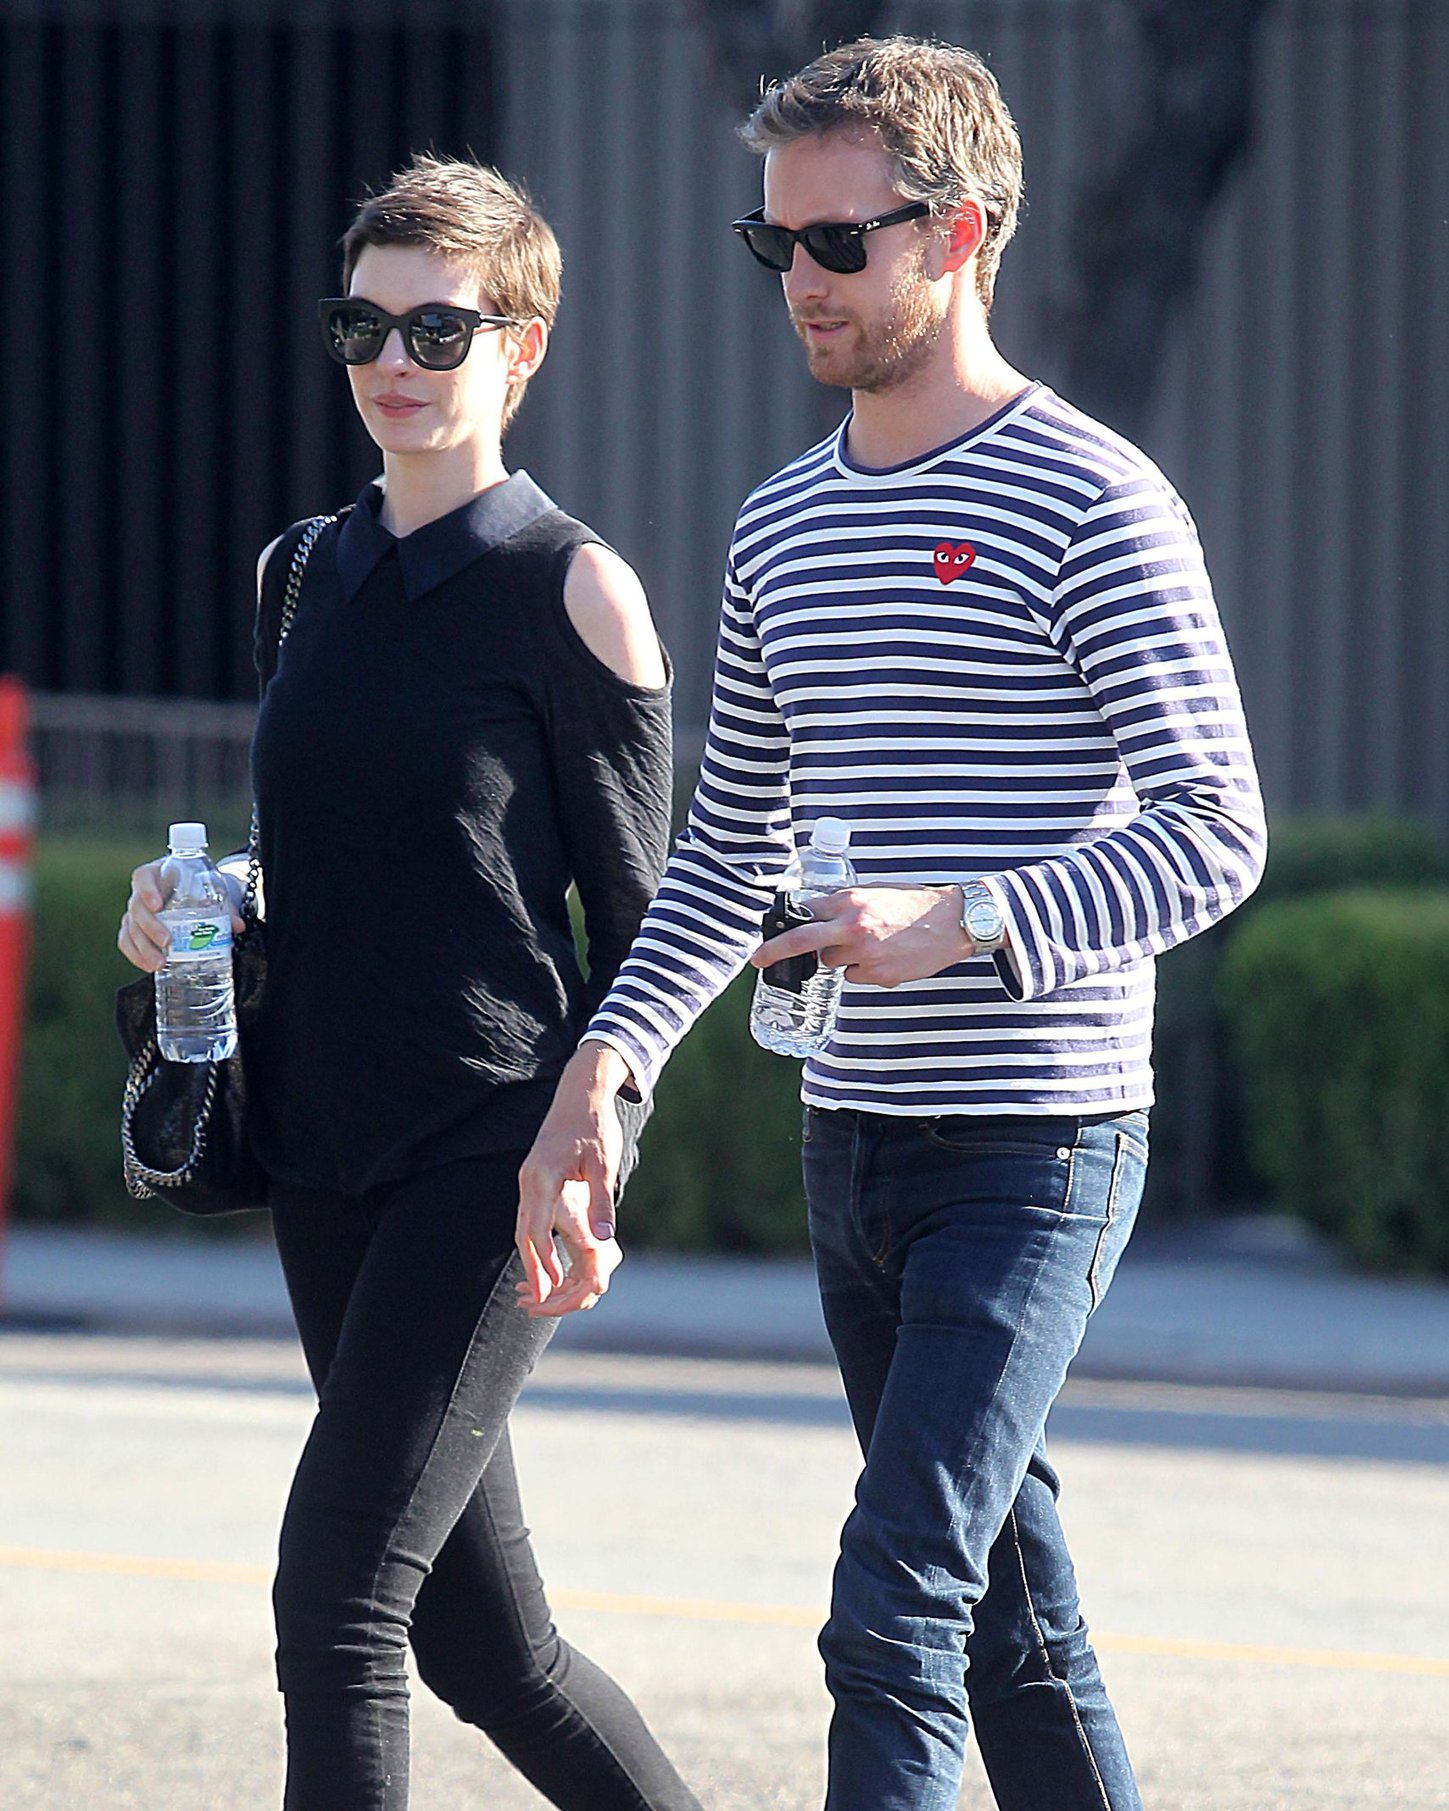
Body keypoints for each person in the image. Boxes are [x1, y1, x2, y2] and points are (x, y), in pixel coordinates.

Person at [517, 36, 1267, 1811]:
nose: (801, 278)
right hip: (848, 1138)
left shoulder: (1093, 498)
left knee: (893, 1614)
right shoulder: (779, 527)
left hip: (1036, 1144)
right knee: (1007, 1623)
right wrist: (604, 1069)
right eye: (773, 242)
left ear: (963, 233)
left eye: (839, 242)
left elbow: (1216, 833)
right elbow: (724, 853)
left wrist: (966, 917)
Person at [117, 154, 701, 1811]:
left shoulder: (573, 588)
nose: (394, 359)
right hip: (323, 1148)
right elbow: (313, 851)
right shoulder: (300, 572)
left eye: (438, 328)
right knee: (486, 1649)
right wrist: (187, 905)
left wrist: (592, 1153)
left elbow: (646, 925)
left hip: (485, 1152)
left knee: (337, 1606)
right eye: (362, 325)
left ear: (522, 347)